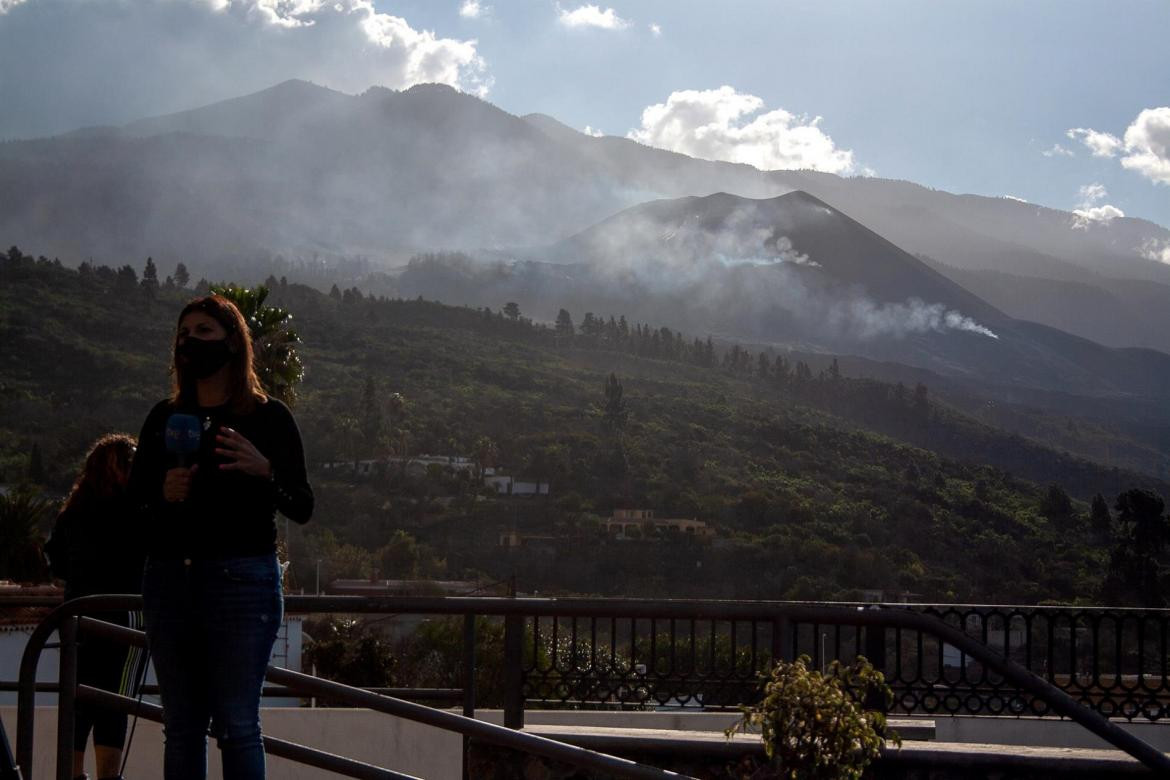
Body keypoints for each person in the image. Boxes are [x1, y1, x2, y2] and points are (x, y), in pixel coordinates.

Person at [128, 294, 313, 780]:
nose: (190, 341)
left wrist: (264, 469)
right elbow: (134, 510)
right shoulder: (162, 419)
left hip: (241, 582)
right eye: (183, 334)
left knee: (236, 724)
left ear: (233, 342)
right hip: (169, 582)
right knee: (182, 727)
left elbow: (302, 504)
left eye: (203, 332)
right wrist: (163, 495)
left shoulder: (269, 419)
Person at [45, 433, 146, 780]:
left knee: (79, 701)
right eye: (130, 462)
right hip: (124, 619)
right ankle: (108, 775)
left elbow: (56, 564)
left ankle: (73, 774)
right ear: (120, 469)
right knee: (114, 703)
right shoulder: (137, 510)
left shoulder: (71, 513)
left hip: (78, 619)